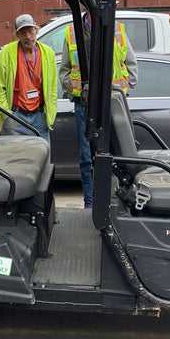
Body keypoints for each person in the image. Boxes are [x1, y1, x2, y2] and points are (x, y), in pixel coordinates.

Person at [60, 10, 138, 208]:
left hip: (110, 103)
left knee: (111, 154)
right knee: (87, 157)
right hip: (84, 103)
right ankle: (90, 203)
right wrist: (73, 93)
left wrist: (122, 91)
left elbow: (131, 63)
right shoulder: (73, 32)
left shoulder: (117, 29)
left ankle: (111, 201)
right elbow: (65, 70)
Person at [0, 13, 58, 144]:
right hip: (15, 117)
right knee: (16, 156)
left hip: (40, 116)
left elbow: (53, 87)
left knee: (42, 155)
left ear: (36, 30)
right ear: (17, 35)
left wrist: (50, 113)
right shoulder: (7, 52)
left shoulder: (48, 53)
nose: (28, 36)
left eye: (30, 31)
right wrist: (7, 116)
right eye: (23, 33)